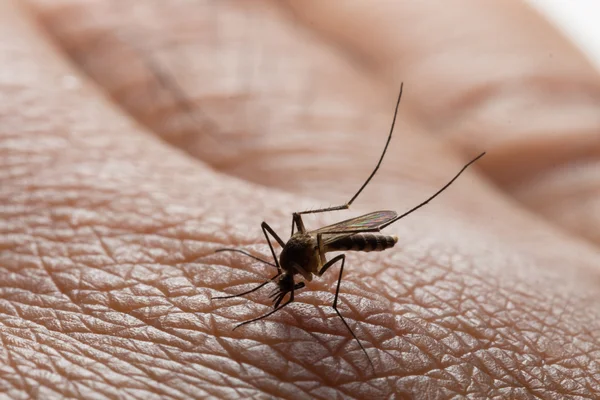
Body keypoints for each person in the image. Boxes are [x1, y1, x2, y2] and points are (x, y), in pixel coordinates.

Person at [3, 0, 600, 398]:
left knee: (320, 232)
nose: (284, 290)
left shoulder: (308, 260)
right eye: (284, 288)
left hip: (351, 228)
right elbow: (294, 255)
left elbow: (316, 252)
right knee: (293, 231)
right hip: (328, 237)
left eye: (282, 287)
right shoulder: (291, 264)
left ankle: (367, 193)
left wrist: (328, 247)